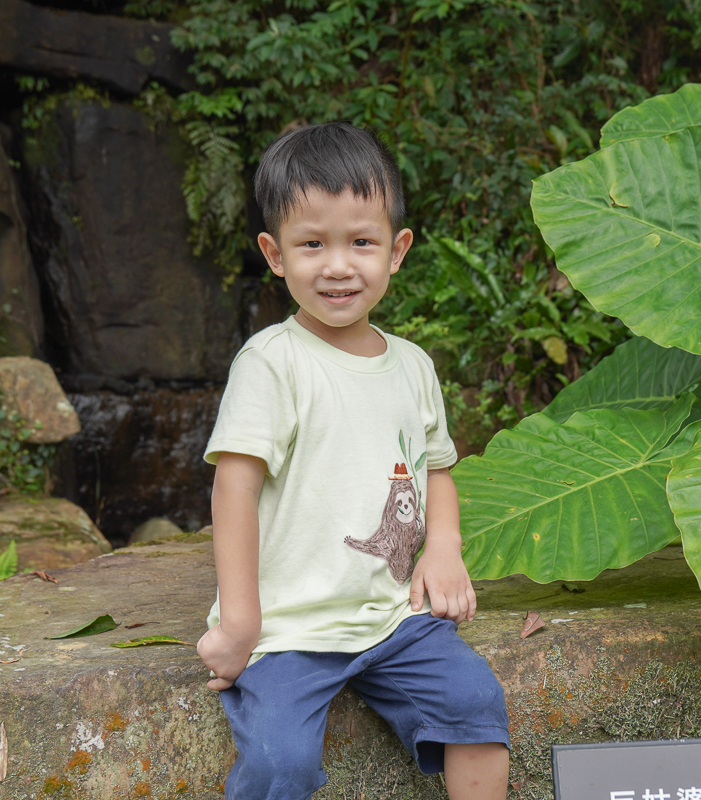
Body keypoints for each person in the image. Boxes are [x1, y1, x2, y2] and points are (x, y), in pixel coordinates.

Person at [196, 121, 511, 800]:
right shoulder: (271, 364)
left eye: (360, 243)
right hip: (289, 629)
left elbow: (435, 468)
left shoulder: (413, 366)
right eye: (312, 244)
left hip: (393, 618)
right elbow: (234, 491)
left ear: (396, 251)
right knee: (282, 763)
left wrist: (444, 549)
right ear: (274, 254)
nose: (338, 266)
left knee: (476, 705)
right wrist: (240, 622)